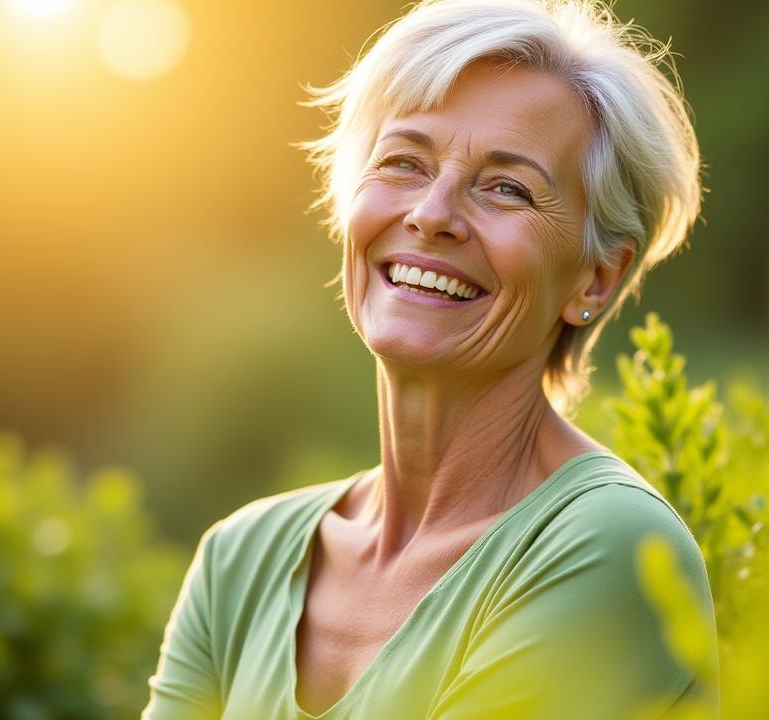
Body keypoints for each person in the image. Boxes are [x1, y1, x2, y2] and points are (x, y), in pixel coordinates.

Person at [141, 0, 718, 717]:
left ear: (594, 278)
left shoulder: (611, 547)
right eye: (404, 162)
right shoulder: (240, 560)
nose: (432, 213)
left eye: (506, 187)